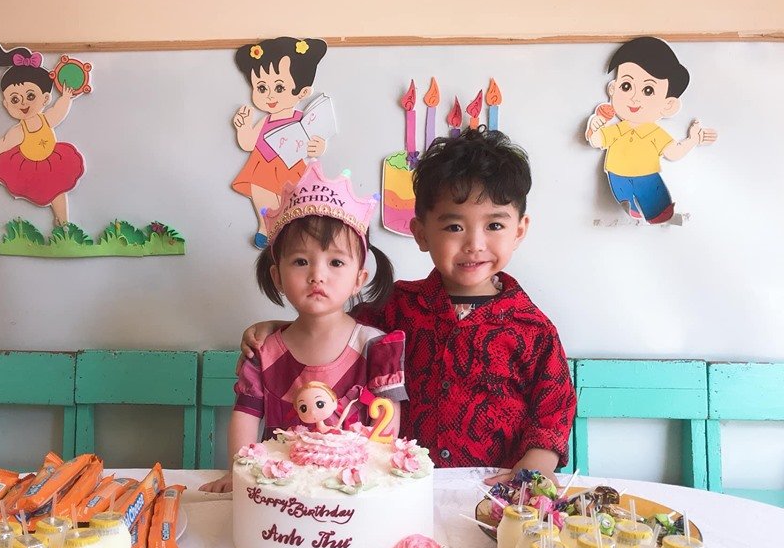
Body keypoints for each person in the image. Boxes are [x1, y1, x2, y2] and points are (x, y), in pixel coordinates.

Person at [241, 129, 576, 485]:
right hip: (399, 486)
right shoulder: (396, 306)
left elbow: (553, 411)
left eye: (494, 225)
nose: (474, 244)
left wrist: (534, 469)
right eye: (454, 226)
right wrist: (278, 328)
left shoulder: (532, 329)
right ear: (421, 233)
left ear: (519, 230)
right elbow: (332, 327)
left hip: (492, 490)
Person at [200, 162, 406, 493]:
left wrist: (376, 479)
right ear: (277, 277)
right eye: (300, 261)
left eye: (336, 262)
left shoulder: (374, 347)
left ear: (359, 279)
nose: (317, 275)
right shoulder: (264, 351)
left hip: (355, 491)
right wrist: (236, 473)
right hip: (279, 494)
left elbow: (387, 422)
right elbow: (246, 414)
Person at [585, 36, 717, 224]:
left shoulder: (655, 133)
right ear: (613, 89)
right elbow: (596, 141)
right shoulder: (618, 129)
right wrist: (594, 127)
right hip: (617, 175)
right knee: (626, 199)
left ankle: (661, 217)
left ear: (668, 105)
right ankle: (631, 210)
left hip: (646, 177)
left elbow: (673, 153)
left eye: (648, 90)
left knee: (658, 206)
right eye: (626, 86)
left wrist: (693, 140)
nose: (634, 98)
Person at [0, 38, 85, 227]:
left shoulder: (46, 120)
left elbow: (58, 111)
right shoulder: (19, 131)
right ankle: (60, 223)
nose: (23, 103)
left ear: (45, 98)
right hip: (30, 166)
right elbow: (5, 142)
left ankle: (63, 223)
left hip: (53, 161)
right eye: (14, 99)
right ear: (6, 104)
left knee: (58, 189)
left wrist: (66, 97)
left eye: (30, 96)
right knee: (46, 191)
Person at [231, 37, 329, 249]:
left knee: (290, 203)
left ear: (303, 92)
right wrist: (243, 127)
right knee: (263, 199)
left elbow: (315, 141)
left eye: (279, 87)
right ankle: (265, 228)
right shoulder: (265, 120)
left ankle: (289, 233)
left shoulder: (301, 119)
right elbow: (248, 144)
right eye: (261, 88)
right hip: (263, 166)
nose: (269, 96)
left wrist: (318, 147)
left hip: (290, 166)